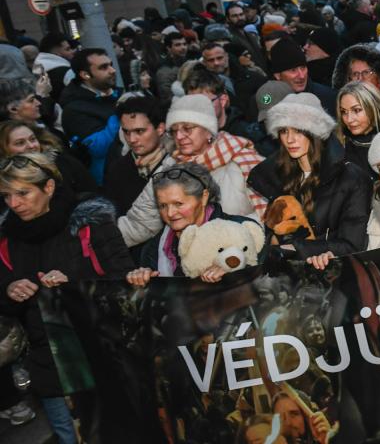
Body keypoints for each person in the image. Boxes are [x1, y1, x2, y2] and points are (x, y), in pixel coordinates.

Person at [0, 153, 134, 444]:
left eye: (22, 193)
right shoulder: (6, 238)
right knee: (70, 436)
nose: (13, 204)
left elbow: (125, 283)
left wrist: (74, 285)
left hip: (100, 353)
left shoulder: (90, 224)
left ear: (48, 187)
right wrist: (10, 291)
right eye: (6, 196)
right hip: (48, 360)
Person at [117, 94, 266, 247]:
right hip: (187, 262)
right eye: (174, 131)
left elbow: (270, 215)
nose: (179, 136)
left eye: (187, 128)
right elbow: (141, 223)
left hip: (240, 255)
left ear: (208, 131)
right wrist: (100, 237)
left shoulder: (245, 161)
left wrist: (228, 245)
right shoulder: (169, 169)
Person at [248, 92, 371, 268]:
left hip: (337, 275)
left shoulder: (351, 178)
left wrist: (297, 247)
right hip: (289, 276)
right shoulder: (278, 177)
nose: (290, 139)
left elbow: (353, 244)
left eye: (298, 130)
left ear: (315, 132)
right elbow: (273, 235)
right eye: (284, 131)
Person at [124, 162, 262, 284]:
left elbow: (265, 280)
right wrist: (142, 280)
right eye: (163, 206)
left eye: (178, 204)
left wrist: (236, 273)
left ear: (204, 197)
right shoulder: (153, 250)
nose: (170, 213)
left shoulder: (240, 230)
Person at [61, 48, 120, 184]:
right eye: (103, 67)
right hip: (107, 179)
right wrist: (122, 112)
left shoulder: (116, 94)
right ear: (85, 75)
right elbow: (99, 148)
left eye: (110, 64)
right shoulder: (74, 109)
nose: (112, 70)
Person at [103, 95, 168, 215]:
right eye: (126, 132)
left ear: (160, 128)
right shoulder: (117, 170)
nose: (132, 139)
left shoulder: (177, 163)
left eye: (139, 131)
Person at [336, 81, 380, 175]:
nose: (349, 119)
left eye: (357, 110)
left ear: (374, 107)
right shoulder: (338, 144)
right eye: (344, 112)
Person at [267, 38, 337, 115]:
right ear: (278, 75)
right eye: (293, 70)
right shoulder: (266, 102)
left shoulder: (329, 97)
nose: (302, 76)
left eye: (303, 67)